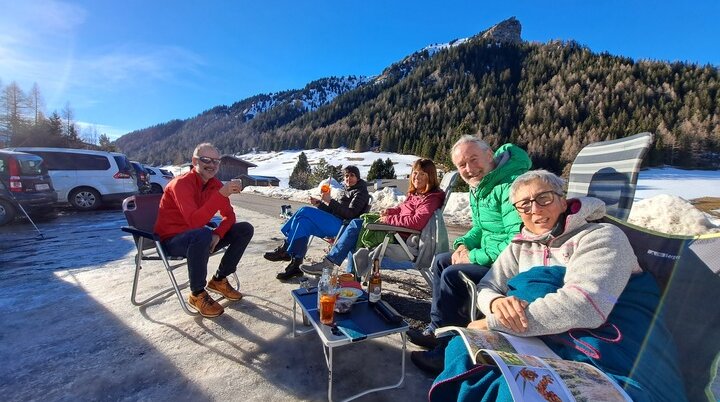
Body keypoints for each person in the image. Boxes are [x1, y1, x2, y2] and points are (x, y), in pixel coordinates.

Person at [425, 169, 687, 402]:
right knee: (461, 352)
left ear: (562, 200)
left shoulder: (601, 237)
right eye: (524, 205)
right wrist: (496, 302)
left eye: (544, 198)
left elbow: (585, 306)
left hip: (600, 348)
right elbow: (488, 284)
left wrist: (494, 322)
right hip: (538, 338)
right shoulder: (520, 245)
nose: (535, 209)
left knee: (517, 388)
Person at [408, 135, 531, 357]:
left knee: (453, 275)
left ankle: (448, 351)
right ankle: (437, 329)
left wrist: (473, 256)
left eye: (474, 159)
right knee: (441, 261)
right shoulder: (481, 185)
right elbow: (480, 228)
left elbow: (517, 241)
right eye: (462, 165)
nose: (469, 168)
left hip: (509, 264)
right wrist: (463, 245)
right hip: (491, 256)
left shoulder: (511, 185)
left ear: (489, 155)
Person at [154, 143, 254, 318]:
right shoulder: (181, 184)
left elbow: (229, 217)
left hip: (200, 238)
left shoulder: (214, 185)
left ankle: (219, 280)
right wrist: (221, 195)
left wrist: (218, 234)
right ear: (194, 161)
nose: (212, 165)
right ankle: (197, 293)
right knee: (202, 233)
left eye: (216, 161)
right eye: (206, 159)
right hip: (172, 241)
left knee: (244, 229)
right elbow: (194, 222)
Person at [300, 158, 445, 277]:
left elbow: (417, 222)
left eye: (422, 174)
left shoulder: (430, 198)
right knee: (355, 228)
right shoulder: (416, 194)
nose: (416, 177)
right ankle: (349, 276)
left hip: (401, 237)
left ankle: (331, 266)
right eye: (415, 173)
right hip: (396, 230)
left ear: (430, 178)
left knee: (356, 226)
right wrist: (390, 212)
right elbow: (401, 209)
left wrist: (389, 220)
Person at [264, 165, 370, 280]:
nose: (349, 178)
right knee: (303, 222)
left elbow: (350, 213)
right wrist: (320, 204)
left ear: (358, 177)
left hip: (343, 225)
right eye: (346, 176)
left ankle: (285, 248)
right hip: (334, 221)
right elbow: (334, 210)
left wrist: (330, 201)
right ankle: (296, 264)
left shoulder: (361, 192)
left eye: (352, 175)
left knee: (304, 211)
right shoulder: (345, 191)